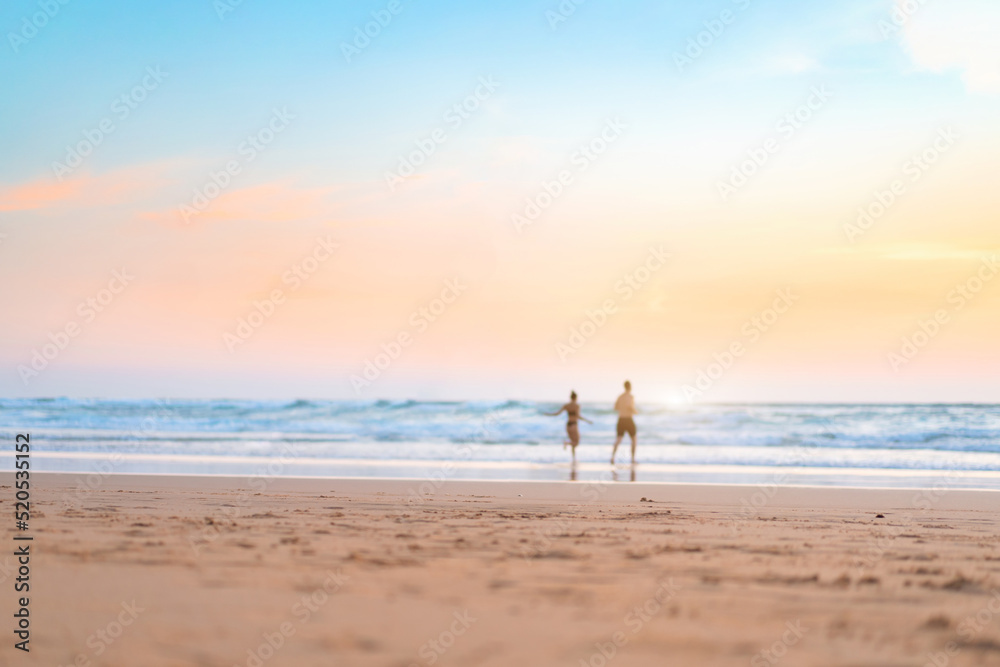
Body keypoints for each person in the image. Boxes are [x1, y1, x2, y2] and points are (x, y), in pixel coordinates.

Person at [547, 391, 591, 462]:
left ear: (570, 397)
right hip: (574, 425)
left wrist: (548, 414)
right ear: (576, 398)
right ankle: (566, 443)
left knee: (573, 442)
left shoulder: (566, 405)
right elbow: (578, 416)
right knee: (576, 442)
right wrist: (587, 421)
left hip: (568, 425)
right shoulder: (577, 406)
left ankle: (574, 458)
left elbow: (557, 413)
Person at [611, 380, 638, 465]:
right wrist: (635, 411)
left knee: (618, 439)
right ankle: (632, 459)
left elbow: (615, 407)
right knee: (634, 439)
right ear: (630, 387)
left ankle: (612, 457)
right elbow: (629, 406)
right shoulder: (630, 396)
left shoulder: (620, 396)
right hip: (628, 419)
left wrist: (622, 408)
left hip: (621, 419)